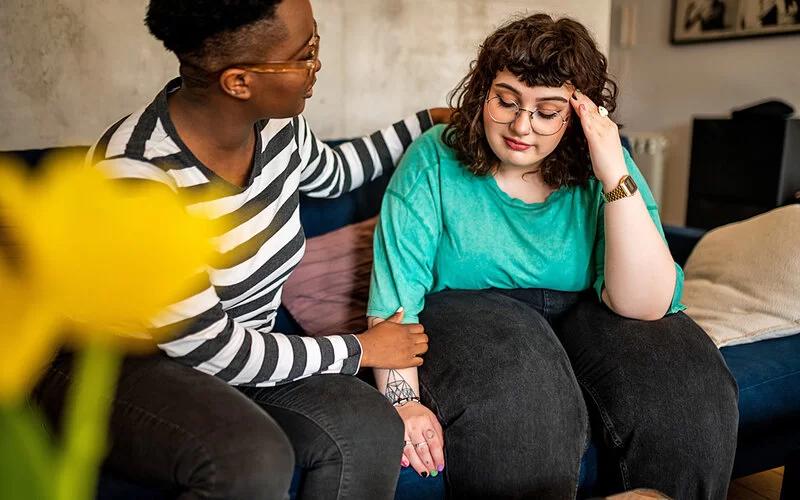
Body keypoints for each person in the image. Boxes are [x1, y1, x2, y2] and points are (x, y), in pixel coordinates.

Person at [32, 0, 451, 499]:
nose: (318, 64)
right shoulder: (139, 179)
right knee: (250, 457)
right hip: (120, 365)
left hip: (240, 347)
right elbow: (211, 350)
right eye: (304, 53)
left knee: (369, 425)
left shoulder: (276, 126)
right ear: (238, 82)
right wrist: (363, 349)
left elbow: (337, 172)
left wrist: (428, 120)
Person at [367, 14, 739, 500]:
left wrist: (610, 171)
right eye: (507, 101)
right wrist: (403, 401)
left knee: (688, 386)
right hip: (470, 312)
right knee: (523, 389)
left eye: (548, 110)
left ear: (579, 112)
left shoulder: (602, 163)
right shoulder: (435, 157)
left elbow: (645, 306)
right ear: (483, 92)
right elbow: (395, 299)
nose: (523, 126)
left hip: (588, 310)